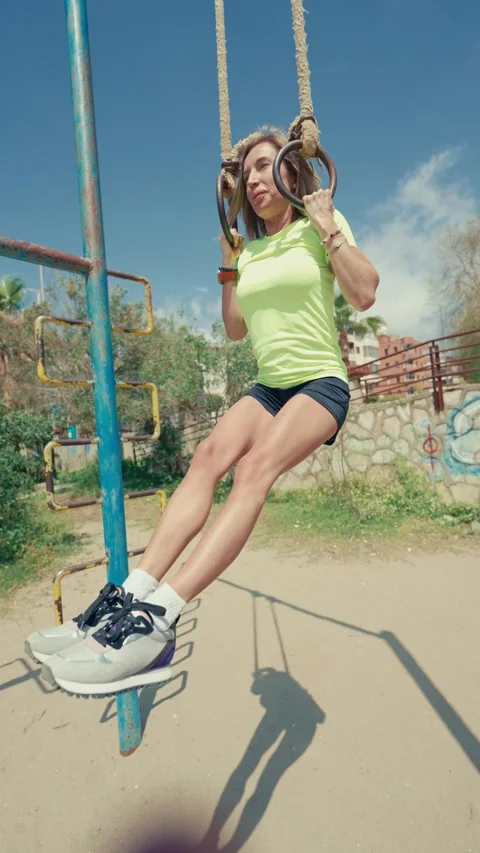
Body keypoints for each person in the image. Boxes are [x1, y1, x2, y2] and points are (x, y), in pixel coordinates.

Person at [25, 128, 379, 696]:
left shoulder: (320, 228)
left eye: (265, 166)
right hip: (269, 385)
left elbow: (365, 294)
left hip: (320, 383)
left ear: (292, 171)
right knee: (206, 457)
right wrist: (230, 267)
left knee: (253, 469)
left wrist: (328, 225)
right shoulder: (252, 248)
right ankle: (128, 598)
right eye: (247, 174)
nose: (255, 179)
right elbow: (237, 330)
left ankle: (158, 619)